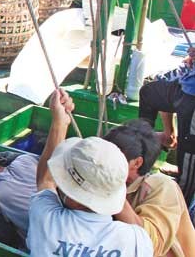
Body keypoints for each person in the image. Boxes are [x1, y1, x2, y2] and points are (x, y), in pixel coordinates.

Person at [27, 89, 153, 256]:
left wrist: (60, 122)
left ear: (73, 196)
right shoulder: (137, 240)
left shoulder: (47, 219)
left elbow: (45, 180)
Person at [104, 120, 195, 256]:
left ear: (137, 162)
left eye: (114, 157)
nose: (104, 161)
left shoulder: (162, 186)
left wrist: (111, 187)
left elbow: (150, 245)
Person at [139, 46, 195, 208]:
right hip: (186, 85)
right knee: (149, 93)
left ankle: (180, 208)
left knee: (189, 151)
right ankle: (142, 160)